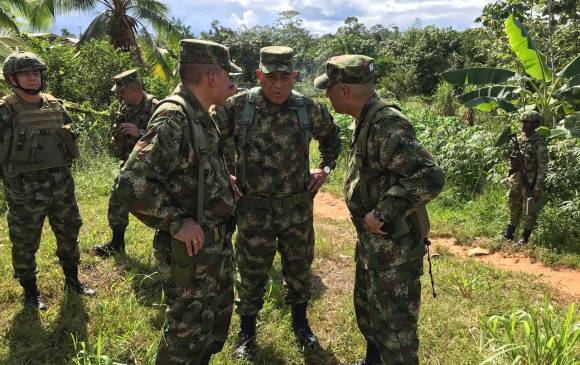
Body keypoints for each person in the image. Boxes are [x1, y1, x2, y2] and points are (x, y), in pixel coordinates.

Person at [114, 39, 240, 365]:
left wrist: (221, 183)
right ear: (212, 75)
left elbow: (186, 168)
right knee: (185, 336)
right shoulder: (174, 117)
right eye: (228, 74)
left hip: (212, 246)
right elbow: (130, 185)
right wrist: (176, 221)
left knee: (208, 331)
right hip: (191, 253)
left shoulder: (199, 114)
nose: (232, 82)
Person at [314, 55, 444, 365]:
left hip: (393, 248)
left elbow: (430, 176)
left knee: (396, 331)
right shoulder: (367, 118)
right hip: (375, 244)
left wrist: (383, 212)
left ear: (343, 91)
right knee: (370, 313)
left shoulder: (387, 124)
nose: (326, 95)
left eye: (328, 88)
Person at [219, 46, 342, 358]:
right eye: (270, 77)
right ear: (259, 75)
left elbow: (333, 139)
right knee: (250, 272)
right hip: (253, 210)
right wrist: (223, 174)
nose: (277, 84)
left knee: (299, 270)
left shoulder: (308, 109)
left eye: (284, 77)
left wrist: (324, 169)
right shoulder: (238, 106)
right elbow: (208, 140)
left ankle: (301, 324)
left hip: (296, 211)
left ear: (294, 76)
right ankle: (247, 332)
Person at [0, 51, 96, 311]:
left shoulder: (55, 105)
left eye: (36, 72)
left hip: (62, 187)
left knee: (69, 233)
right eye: (26, 73)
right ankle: (31, 293)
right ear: (12, 78)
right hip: (24, 192)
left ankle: (72, 281)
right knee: (24, 242)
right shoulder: (5, 111)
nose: (33, 77)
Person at [93, 69, 159, 257]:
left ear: (133, 89)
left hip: (153, 168)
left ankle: (169, 245)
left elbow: (167, 136)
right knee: (117, 199)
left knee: (160, 207)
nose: (119, 96)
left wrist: (139, 132)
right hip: (129, 164)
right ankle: (117, 243)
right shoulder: (125, 107)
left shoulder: (156, 106)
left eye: (121, 92)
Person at [503, 110, 548, 245]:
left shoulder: (539, 143)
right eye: (523, 122)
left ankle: (525, 239)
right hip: (516, 180)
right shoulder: (520, 140)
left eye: (527, 122)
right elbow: (512, 160)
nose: (524, 125)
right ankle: (508, 235)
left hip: (529, 182)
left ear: (535, 124)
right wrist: (509, 175)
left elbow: (542, 167)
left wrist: (537, 187)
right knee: (513, 206)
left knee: (528, 211)